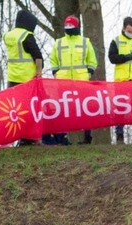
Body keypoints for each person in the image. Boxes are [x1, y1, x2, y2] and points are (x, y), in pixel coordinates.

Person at [48, 15, 95, 145]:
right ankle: (63, 138)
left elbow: (92, 60)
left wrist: (90, 72)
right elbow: (53, 59)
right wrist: (55, 72)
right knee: (64, 109)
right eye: (66, 25)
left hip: (81, 79)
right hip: (63, 80)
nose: (68, 27)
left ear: (76, 26)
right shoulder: (59, 42)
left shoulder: (85, 41)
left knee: (85, 109)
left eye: (70, 25)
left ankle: (87, 137)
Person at [4, 9, 44, 146]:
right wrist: (39, 72)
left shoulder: (8, 36)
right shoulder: (26, 36)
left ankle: (20, 137)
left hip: (12, 78)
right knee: (29, 110)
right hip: (27, 79)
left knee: (16, 111)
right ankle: (28, 138)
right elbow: (38, 56)